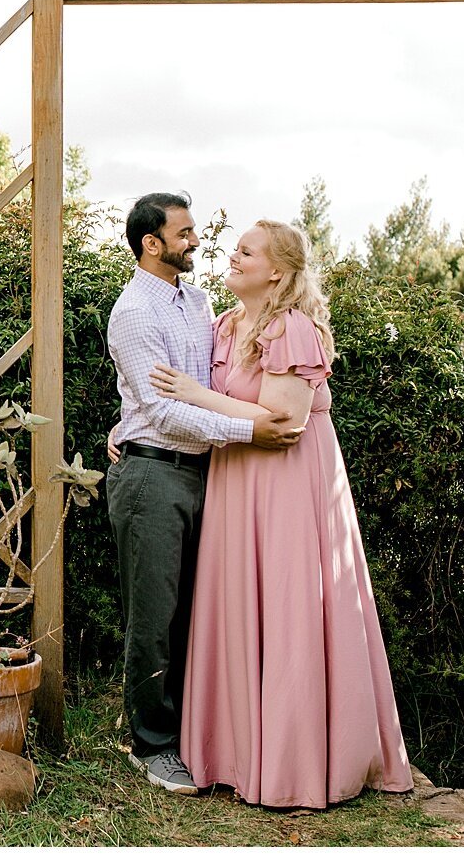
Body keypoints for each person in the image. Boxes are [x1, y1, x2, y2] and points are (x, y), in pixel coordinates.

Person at [150, 219, 413, 809]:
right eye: (236, 248)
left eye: (248, 251)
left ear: (277, 270)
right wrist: (129, 427)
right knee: (237, 608)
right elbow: (211, 410)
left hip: (289, 489)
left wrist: (194, 397)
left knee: (291, 610)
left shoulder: (290, 329)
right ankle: (238, 758)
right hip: (235, 482)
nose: (233, 256)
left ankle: (296, 763)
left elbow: (283, 423)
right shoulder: (225, 325)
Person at [105, 193, 304, 795]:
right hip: (154, 476)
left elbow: (208, 385)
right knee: (154, 617)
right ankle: (153, 745)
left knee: (201, 612)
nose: (197, 242)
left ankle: (193, 734)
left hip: (207, 476)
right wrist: (250, 430)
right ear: (152, 245)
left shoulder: (198, 302)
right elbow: (163, 412)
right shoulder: (135, 312)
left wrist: (126, 417)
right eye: (185, 234)